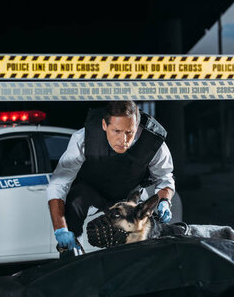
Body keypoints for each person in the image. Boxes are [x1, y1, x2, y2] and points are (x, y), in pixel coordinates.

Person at [47, 100, 175, 253]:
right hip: (91, 193)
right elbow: (58, 184)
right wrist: (60, 228)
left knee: (144, 227)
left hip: (130, 195)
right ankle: (71, 255)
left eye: (129, 132)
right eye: (116, 131)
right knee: (74, 203)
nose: (124, 140)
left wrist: (165, 201)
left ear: (137, 126)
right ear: (104, 125)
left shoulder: (153, 141)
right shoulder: (83, 139)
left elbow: (164, 177)